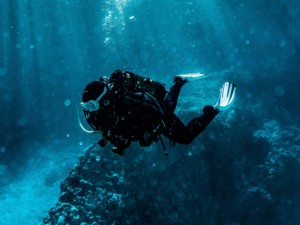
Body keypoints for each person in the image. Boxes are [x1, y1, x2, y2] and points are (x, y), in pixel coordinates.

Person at [79, 70, 236, 155]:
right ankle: (179, 83)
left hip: (153, 109)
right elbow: (111, 131)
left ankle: (209, 105)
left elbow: (158, 113)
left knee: (184, 136)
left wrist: (150, 132)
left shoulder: (126, 101)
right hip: (140, 121)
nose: (89, 111)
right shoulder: (94, 115)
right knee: (182, 135)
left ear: (105, 99)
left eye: (92, 105)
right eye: (86, 106)